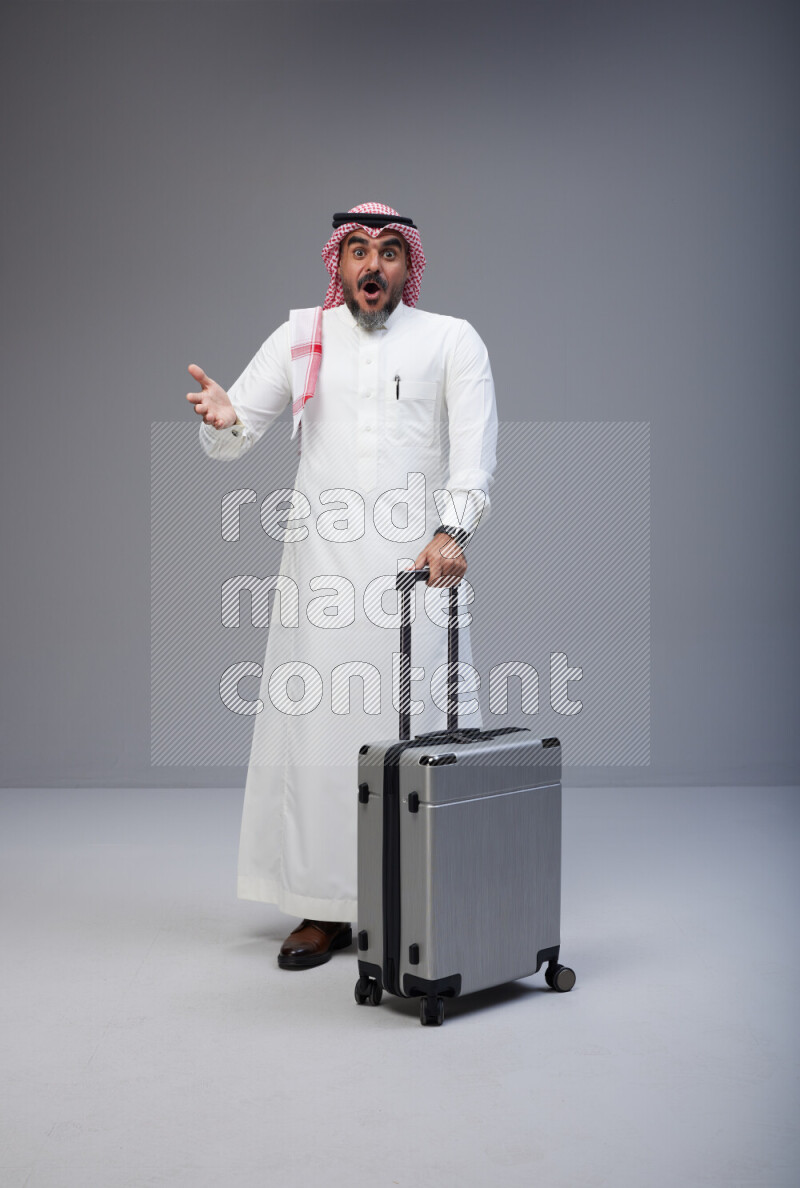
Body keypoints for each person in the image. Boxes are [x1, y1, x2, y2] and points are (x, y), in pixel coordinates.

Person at [186, 202, 498, 969]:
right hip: (322, 569)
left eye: (389, 251)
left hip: (417, 570)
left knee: (423, 729)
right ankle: (324, 908)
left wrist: (453, 532)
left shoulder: (451, 339)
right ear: (338, 262)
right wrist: (223, 418)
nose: (372, 264)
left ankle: (425, 896)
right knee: (321, 737)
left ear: (408, 265)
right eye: (358, 249)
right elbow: (233, 436)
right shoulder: (303, 335)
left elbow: (474, 454)